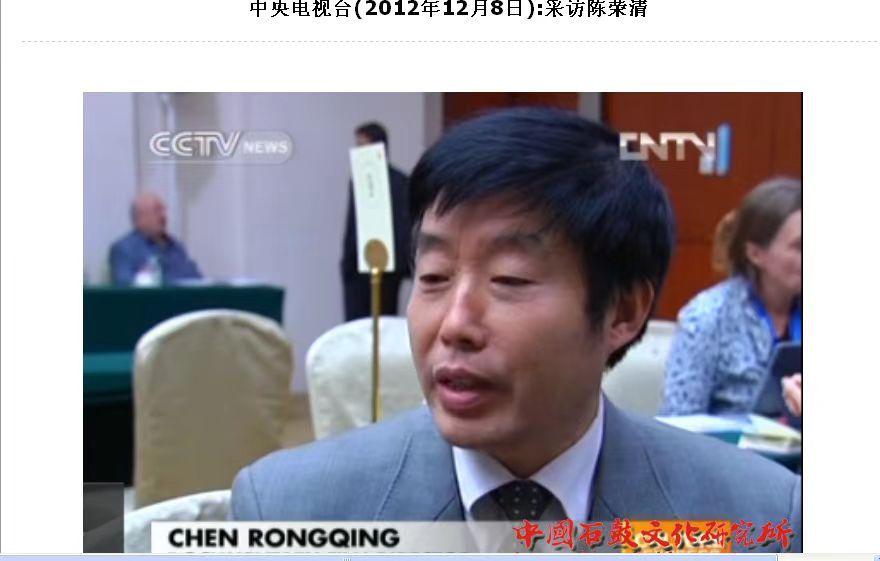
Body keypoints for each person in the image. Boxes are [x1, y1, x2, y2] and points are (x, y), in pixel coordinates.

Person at [233, 109, 801, 552]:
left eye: (509, 278)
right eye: (433, 276)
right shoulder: (288, 509)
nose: (455, 324)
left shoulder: (761, 516)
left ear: (623, 312)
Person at [661, 178, 802, 417]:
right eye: (799, 246)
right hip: (727, 441)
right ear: (755, 254)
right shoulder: (706, 317)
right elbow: (678, 420)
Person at [340, 122, 412, 321]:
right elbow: (352, 225)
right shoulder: (357, 181)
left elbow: (404, 228)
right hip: (357, 268)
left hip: (387, 269)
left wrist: (400, 267)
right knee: (356, 326)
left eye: (362, 145)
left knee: (383, 324)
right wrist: (346, 263)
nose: (357, 152)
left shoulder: (400, 182)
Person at [108, 192, 202, 286]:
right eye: (157, 211)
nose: (163, 216)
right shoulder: (124, 249)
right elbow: (125, 285)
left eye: (163, 210)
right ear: (139, 218)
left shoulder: (175, 246)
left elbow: (196, 280)